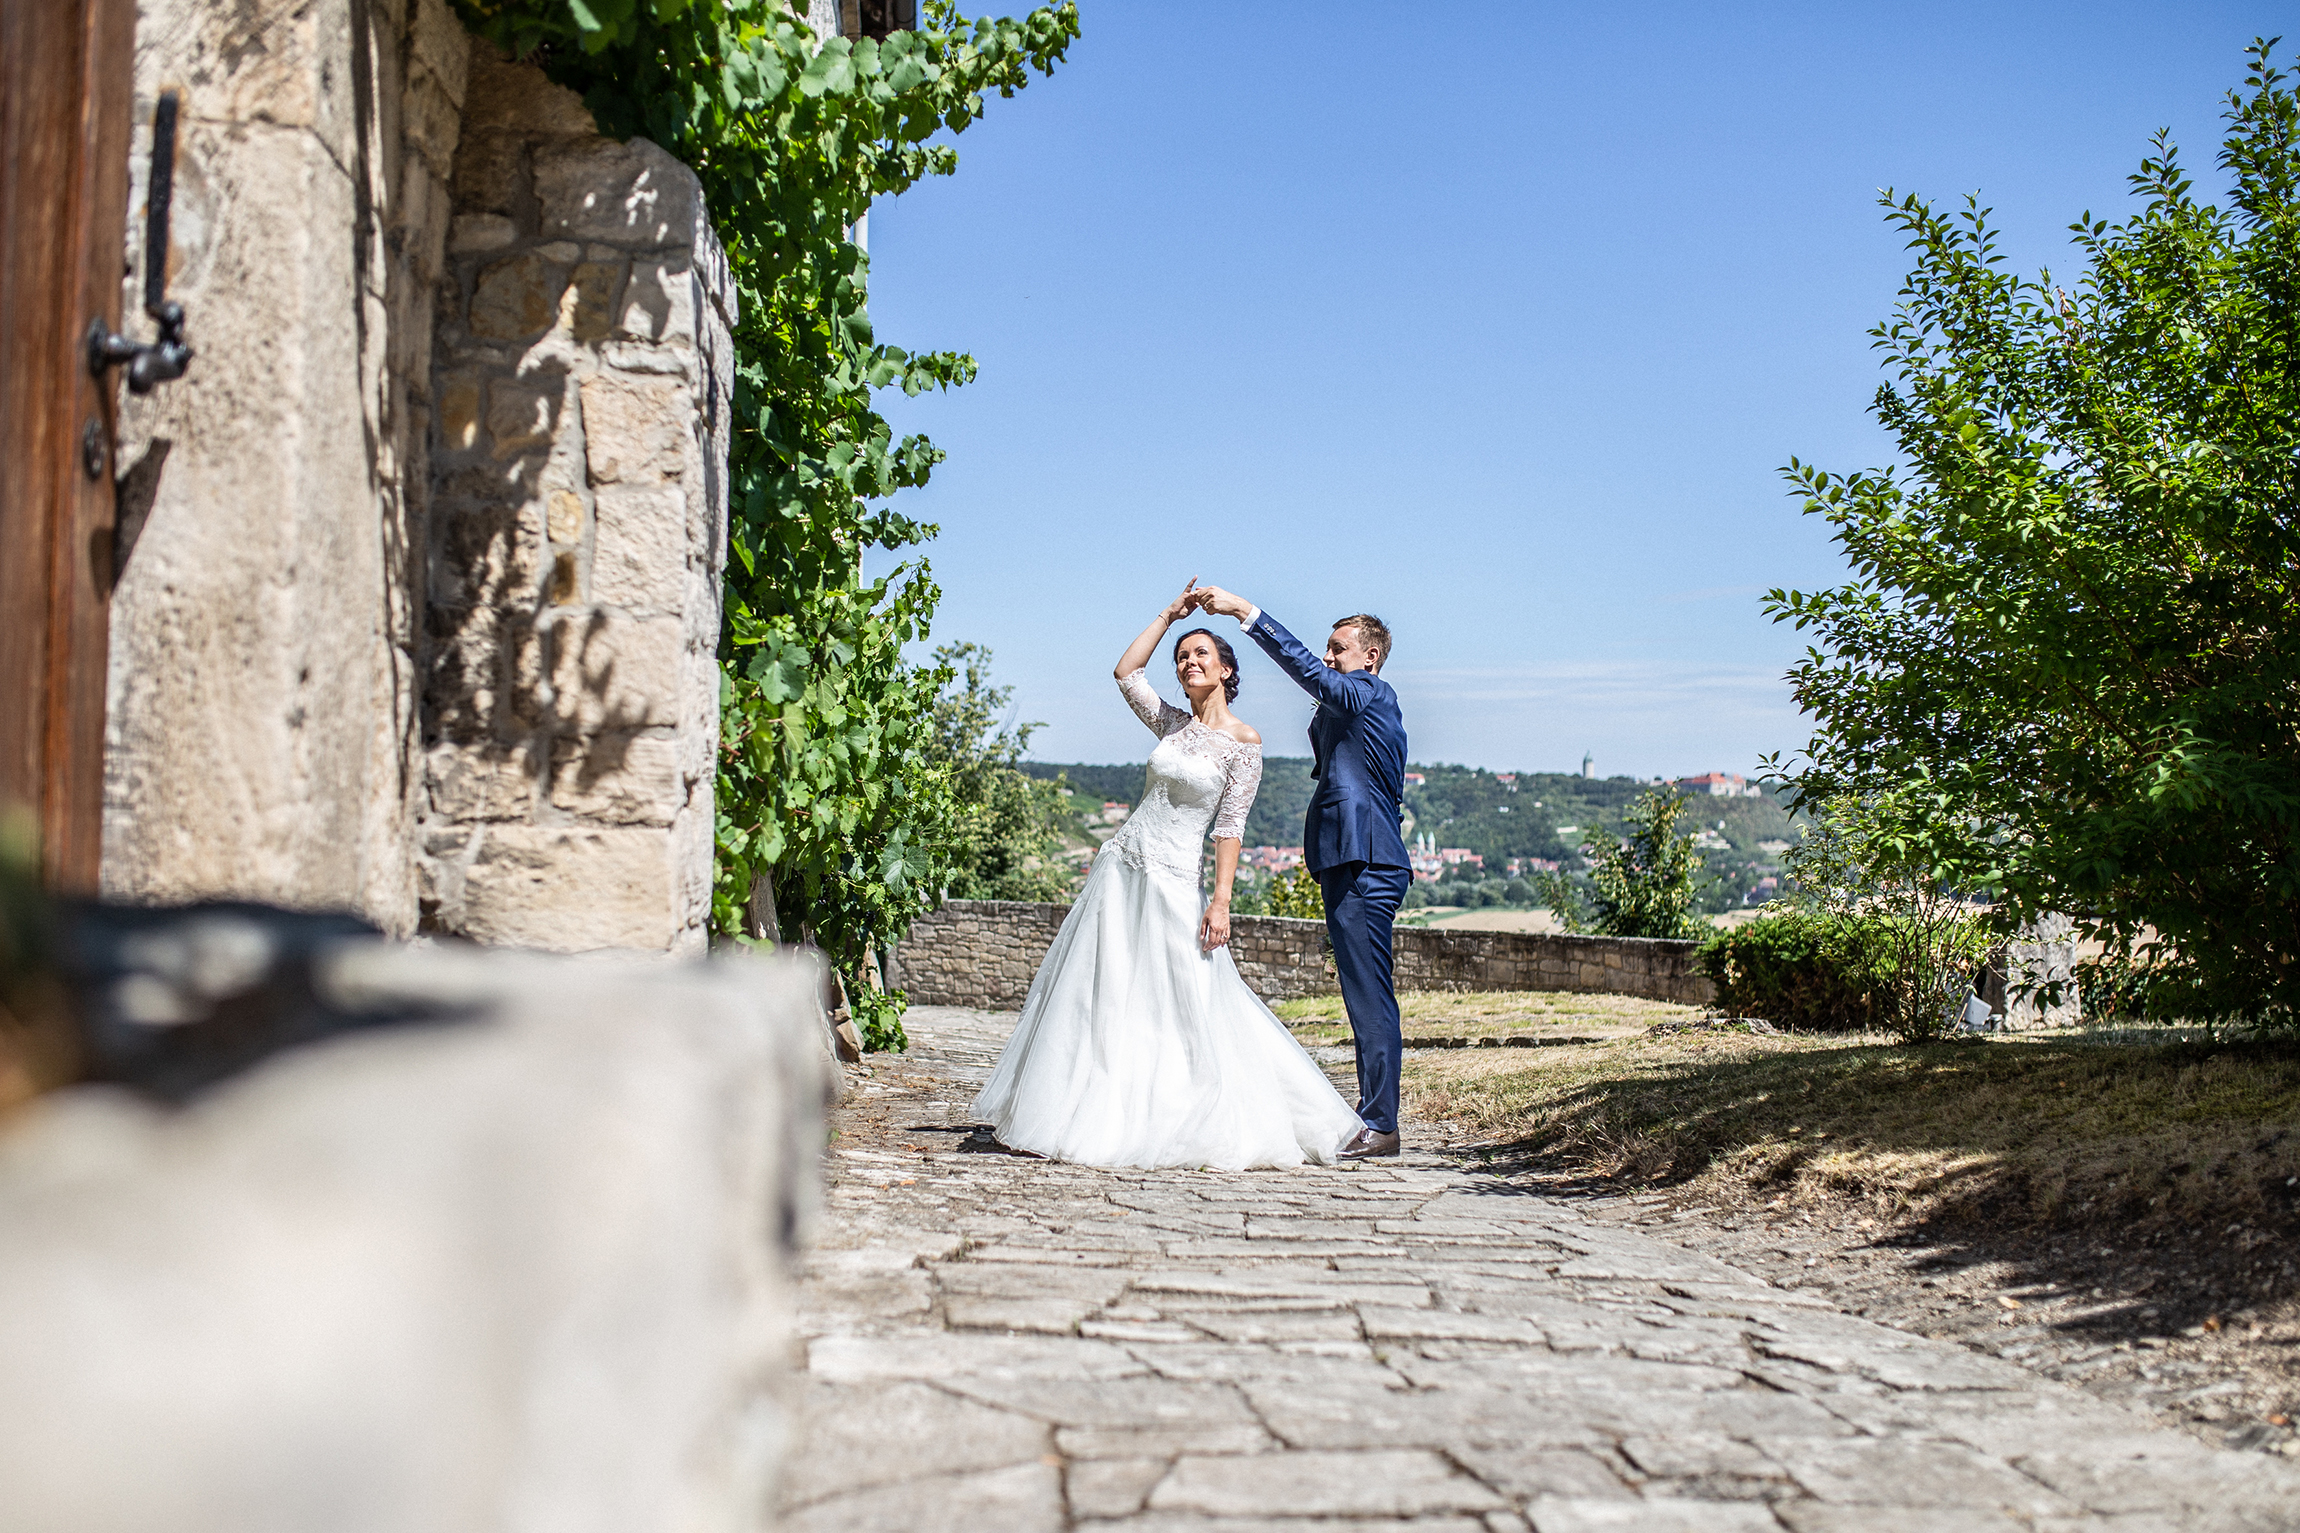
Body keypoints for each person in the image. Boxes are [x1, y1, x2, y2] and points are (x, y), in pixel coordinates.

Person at [969, 580, 1364, 1169]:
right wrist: (1169, 615)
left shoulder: (1244, 742)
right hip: (1123, 869)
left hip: (1176, 879)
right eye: (1182, 657)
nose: (1188, 661)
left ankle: (1197, 1107)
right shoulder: (1171, 724)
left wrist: (1221, 901)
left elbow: (1230, 827)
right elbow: (1127, 673)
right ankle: (1081, 1105)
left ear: (1226, 669)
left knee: (1188, 995)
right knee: (1101, 992)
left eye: (1200, 652)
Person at [1192, 585, 1409, 1160]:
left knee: (1369, 993)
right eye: (1328, 647)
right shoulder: (1358, 703)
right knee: (1362, 991)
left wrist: (1246, 613)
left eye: (1339, 648)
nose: (1329, 655)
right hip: (1351, 858)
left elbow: (1313, 676)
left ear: (1371, 657)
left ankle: (1381, 1124)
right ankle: (1374, 1113)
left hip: (1365, 860)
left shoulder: (1369, 692)